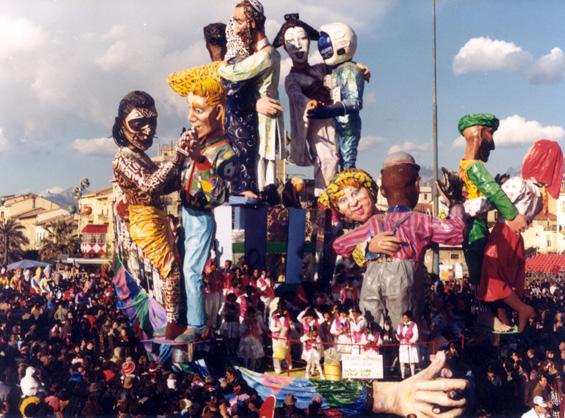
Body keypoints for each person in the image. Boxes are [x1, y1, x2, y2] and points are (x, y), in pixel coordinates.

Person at [329, 153, 465, 327]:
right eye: (343, 200)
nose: (353, 203)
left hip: (378, 281)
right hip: (399, 279)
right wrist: (456, 202)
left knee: (374, 326)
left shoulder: (375, 222)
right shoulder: (420, 221)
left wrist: (368, 246)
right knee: (402, 327)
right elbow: (456, 232)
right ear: (417, 185)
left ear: (381, 192)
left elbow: (339, 245)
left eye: (356, 194)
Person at [167, 62, 239, 340]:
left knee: (192, 271)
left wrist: (198, 159)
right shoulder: (200, 145)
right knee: (181, 268)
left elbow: (218, 194)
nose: (192, 117)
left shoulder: (223, 152)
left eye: (199, 110)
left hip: (200, 217)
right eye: (190, 109)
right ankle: (182, 320)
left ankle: (197, 326)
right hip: (186, 213)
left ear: (218, 113)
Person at [112, 90, 190, 339]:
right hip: (144, 217)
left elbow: (165, 185)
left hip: (155, 216)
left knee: (174, 266)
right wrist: (176, 159)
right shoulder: (123, 158)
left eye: (151, 122)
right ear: (122, 124)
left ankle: (175, 319)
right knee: (170, 269)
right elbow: (149, 185)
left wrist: (187, 165)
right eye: (138, 123)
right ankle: (173, 323)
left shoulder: (139, 155)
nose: (147, 130)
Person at [466, 139, 563, 332]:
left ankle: (522, 309)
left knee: (492, 278)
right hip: (517, 240)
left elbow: (493, 200)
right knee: (505, 282)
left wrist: (466, 207)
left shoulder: (519, 184)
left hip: (503, 235)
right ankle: (508, 323)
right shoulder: (537, 197)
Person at [455, 113, 529, 286]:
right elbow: (493, 192)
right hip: (476, 228)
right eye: (491, 133)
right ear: (479, 134)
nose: (493, 144)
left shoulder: (464, 165)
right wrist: (513, 215)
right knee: (484, 278)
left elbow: (479, 192)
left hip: (471, 227)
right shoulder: (475, 167)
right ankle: (486, 312)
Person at [219, 0, 285, 191]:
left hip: (264, 119)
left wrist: (219, 67)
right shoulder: (259, 53)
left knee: (262, 168)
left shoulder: (266, 55)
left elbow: (235, 72)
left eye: (239, 22)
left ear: (252, 23)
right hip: (257, 116)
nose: (236, 29)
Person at [273, 13, 338, 196]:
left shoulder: (320, 68)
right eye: (291, 41)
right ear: (285, 47)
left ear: (309, 42)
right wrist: (308, 103)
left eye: (302, 38)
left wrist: (355, 68)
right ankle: (321, 198)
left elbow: (339, 67)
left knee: (332, 158)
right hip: (313, 120)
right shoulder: (291, 78)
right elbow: (296, 95)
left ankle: (327, 194)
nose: (298, 44)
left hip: (331, 116)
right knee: (326, 158)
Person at [307, 22, 365, 170]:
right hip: (334, 125)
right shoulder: (334, 70)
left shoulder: (350, 70)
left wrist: (329, 110)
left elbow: (355, 102)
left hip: (348, 127)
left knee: (347, 165)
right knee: (332, 165)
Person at [397, 311, 419, 379]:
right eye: (403, 318)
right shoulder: (400, 325)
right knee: (402, 361)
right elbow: (398, 335)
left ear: (409, 318)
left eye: (405, 317)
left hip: (410, 345)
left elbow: (416, 335)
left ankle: (413, 375)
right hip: (403, 345)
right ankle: (402, 376)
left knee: (412, 361)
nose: (404, 319)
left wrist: (411, 341)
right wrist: (398, 337)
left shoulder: (414, 325)